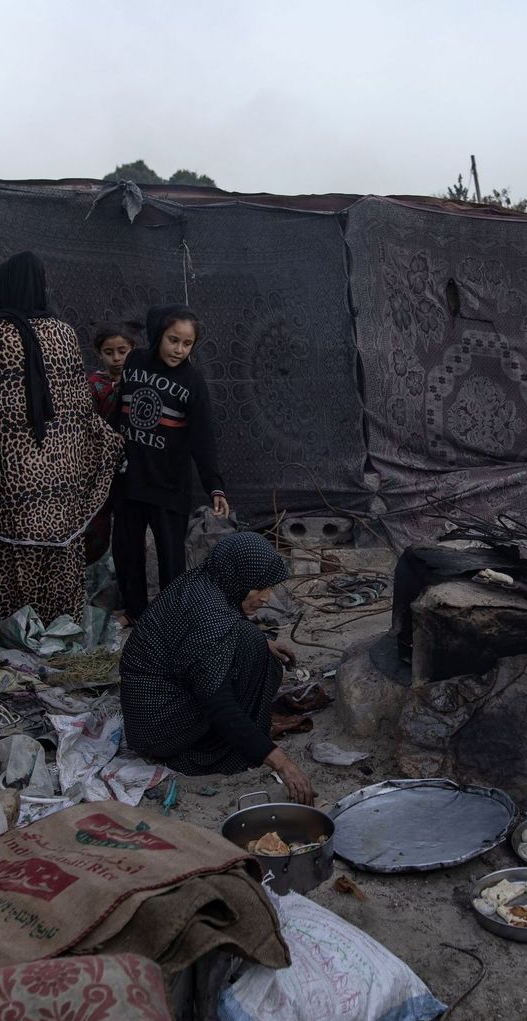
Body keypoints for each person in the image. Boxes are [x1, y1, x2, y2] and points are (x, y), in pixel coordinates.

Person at [0, 251, 123, 624]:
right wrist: (109, 442)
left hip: (10, 474)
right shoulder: (64, 334)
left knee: (11, 555)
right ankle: (62, 627)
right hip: (62, 472)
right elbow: (79, 409)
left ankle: (16, 627)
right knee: (63, 550)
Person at [121, 533, 314, 804]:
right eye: (261, 588)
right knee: (253, 654)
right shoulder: (208, 616)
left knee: (255, 643)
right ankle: (212, 751)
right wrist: (282, 763)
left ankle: (236, 737)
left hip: (149, 708)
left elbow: (210, 633)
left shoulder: (206, 580)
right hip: (158, 727)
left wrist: (262, 642)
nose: (266, 598)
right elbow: (218, 704)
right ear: (240, 580)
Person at [112, 305, 229, 621]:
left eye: (186, 343)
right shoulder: (134, 362)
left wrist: (214, 485)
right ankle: (135, 612)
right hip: (129, 479)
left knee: (170, 555)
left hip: (168, 484)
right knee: (127, 550)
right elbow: (118, 411)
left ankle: (170, 617)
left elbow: (203, 438)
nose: (179, 349)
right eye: (172, 340)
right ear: (157, 335)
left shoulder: (192, 382)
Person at [82, 324, 136, 563]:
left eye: (122, 351)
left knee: (130, 522)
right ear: (99, 353)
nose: (116, 358)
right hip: (99, 463)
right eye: (109, 352)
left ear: (132, 349)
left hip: (133, 463)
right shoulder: (94, 385)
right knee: (98, 519)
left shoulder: (139, 383)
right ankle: (95, 566)